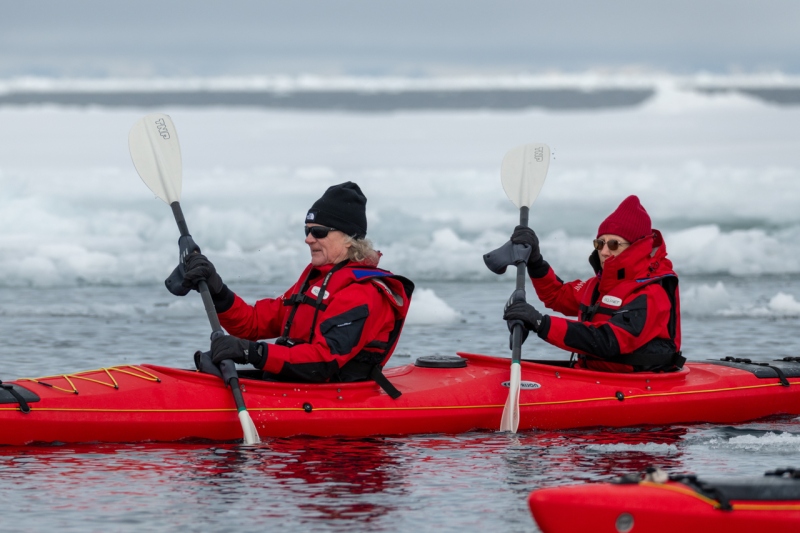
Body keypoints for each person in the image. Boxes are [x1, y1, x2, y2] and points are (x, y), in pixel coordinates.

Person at [175, 181, 414, 394]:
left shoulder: (364, 292)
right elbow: (254, 322)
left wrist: (251, 353)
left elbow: (322, 362)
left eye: (318, 232)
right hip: (297, 385)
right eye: (307, 230)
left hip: (335, 395)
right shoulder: (316, 279)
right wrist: (217, 288)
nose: (308, 239)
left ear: (349, 239)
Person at [501, 195, 683, 372]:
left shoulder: (651, 294)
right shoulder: (597, 286)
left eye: (614, 245)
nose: (604, 252)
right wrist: (535, 261)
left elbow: (608, 341)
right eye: (600, 243)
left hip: (638, 386)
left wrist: (541, 323)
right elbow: (556, 296)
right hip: (595, 375)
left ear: (635, 247)